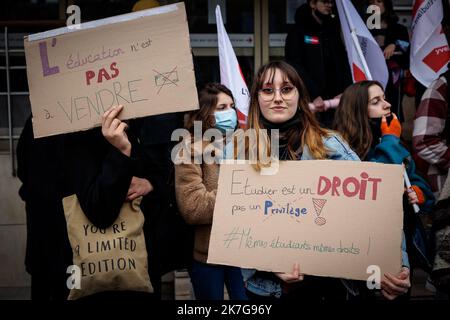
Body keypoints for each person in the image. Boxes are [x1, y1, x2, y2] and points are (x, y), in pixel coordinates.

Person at [240, 60, 360, 301]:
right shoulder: (239, 151)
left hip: (324, 286)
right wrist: (269, 261)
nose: (277, 98)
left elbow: (368, 209)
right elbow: (232, 226)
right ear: (256, 99)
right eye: (267, 90)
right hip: (264, 289)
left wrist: (399, 265)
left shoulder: (330, 145)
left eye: (286, 89)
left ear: (299, 95)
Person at [333, 80, 435, 298]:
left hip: (399, 250)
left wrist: (419, 193)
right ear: (357, 109)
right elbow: (375, 186)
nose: (387, 105)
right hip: (360, 251)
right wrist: (390, 141)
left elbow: (421, 185)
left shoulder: (393, 142)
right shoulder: (342, 150)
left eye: (385, 98)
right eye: (376, 101)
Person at [174, 83, 248, 300]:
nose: (231, 113)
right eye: (223, 107)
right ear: (207, 113)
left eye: (232, 106)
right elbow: (193, 207)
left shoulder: (242, 144)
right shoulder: (189, 148)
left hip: (245, 251)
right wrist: (242, 195)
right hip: (208, 256)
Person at [285, 0, 352, 128]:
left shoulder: (332, 30)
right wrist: (314, 94)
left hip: (335, 101)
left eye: (331, 2)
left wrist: (345, 90)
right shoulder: (298, 32)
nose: (329, 5)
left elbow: (343, 62)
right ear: (313, 4)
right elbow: (295, 67)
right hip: (311, 102)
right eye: (325, 1)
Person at [367, 0, 410, 121]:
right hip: (371, 74)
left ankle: (394, 134)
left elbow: (407, 46)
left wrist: (394, 45)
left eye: (379, 1)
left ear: (387, 5)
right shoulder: (365, 28)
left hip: (392, 77)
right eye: (372, 2)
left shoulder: (398, 28)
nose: (375, 5)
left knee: (392, 105)